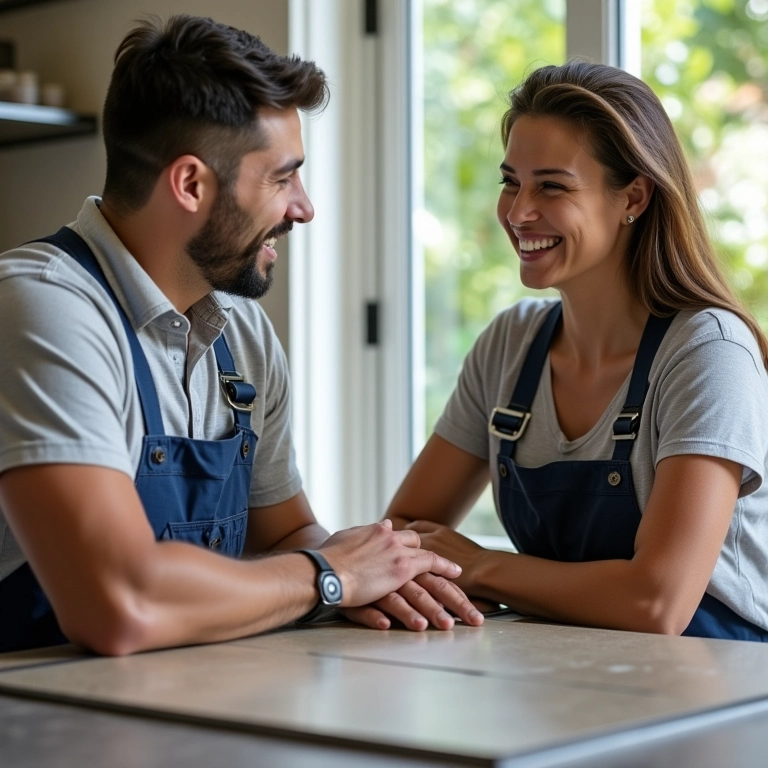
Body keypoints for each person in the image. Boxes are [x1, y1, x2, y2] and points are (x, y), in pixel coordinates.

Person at [0, 14, 483, 656]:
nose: (304, 207)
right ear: (191, 184)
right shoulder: (45, 307)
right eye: (283, 178)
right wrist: (331, 576)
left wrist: (384, 576)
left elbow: (285, 536)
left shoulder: (242, 332)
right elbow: (116, 604)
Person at [385, 60, 768, 642]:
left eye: (552, 186)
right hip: (566, 678)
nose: (517, 213)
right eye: (510, 181)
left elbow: (656, 603)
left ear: (633, 197)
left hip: (722, 693)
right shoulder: (510, 345)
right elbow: (407, 533)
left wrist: (482, 565)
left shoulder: (707, 353)